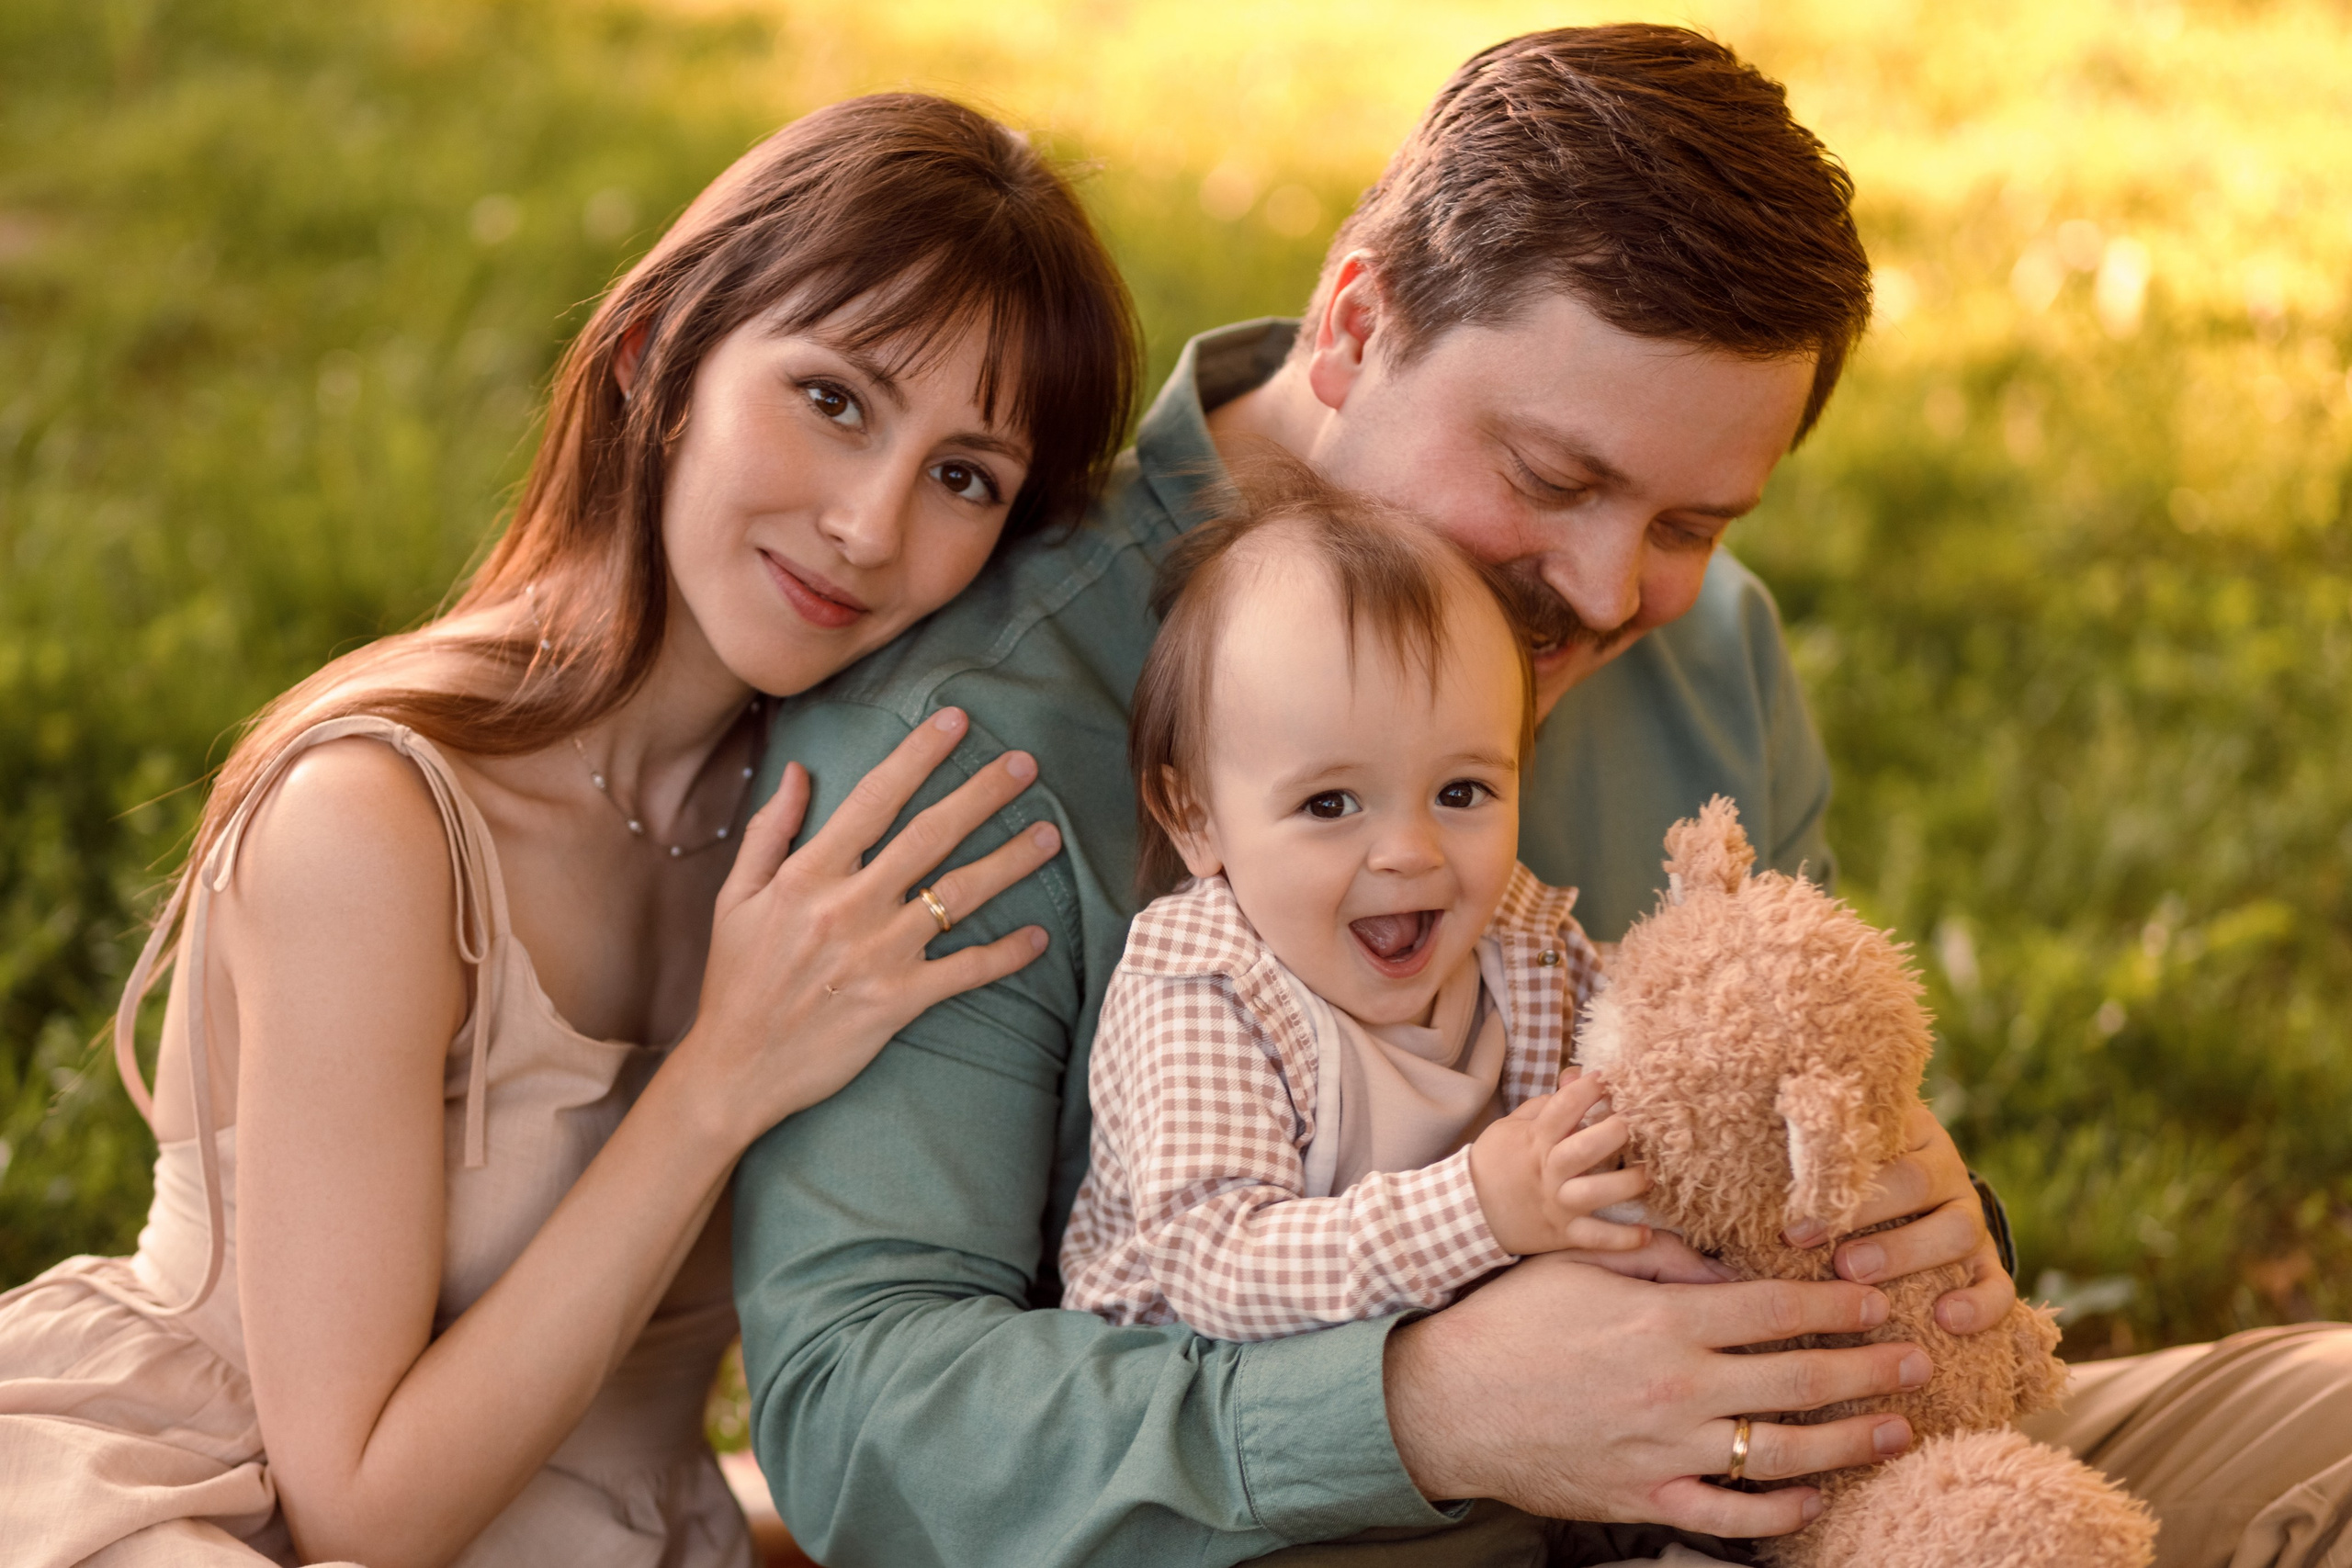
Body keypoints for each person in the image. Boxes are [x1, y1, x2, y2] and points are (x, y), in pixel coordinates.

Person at [733, 26, 2352, 1568]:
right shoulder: (979, 728)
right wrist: (1427, 1410)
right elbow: (859, 1422)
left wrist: (1908, 1221)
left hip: (1790, 1491)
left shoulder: (1708, 648)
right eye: (1554, 477)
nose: (1603, 588)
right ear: (1354, 325)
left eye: (1692, 522)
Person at [0, 94, 1138, 1567]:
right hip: (200, 1504)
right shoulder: (378, 819)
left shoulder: (839, 845)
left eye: (963, 476)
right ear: (654, 356)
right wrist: (723, 1074)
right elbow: (353, 1503)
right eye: (834, 399)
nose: (871, 524)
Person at [1060, 461, 1716, 1348]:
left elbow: (1662, 1051)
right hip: (1211, 1400)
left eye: (1461, 791)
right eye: (1330, 803)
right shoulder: (1206, 987)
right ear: (1196, 818)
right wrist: (1481, 1206)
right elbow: (1220, 1264)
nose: (1410, 850)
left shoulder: (1522, 941)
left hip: (1480, 1362)